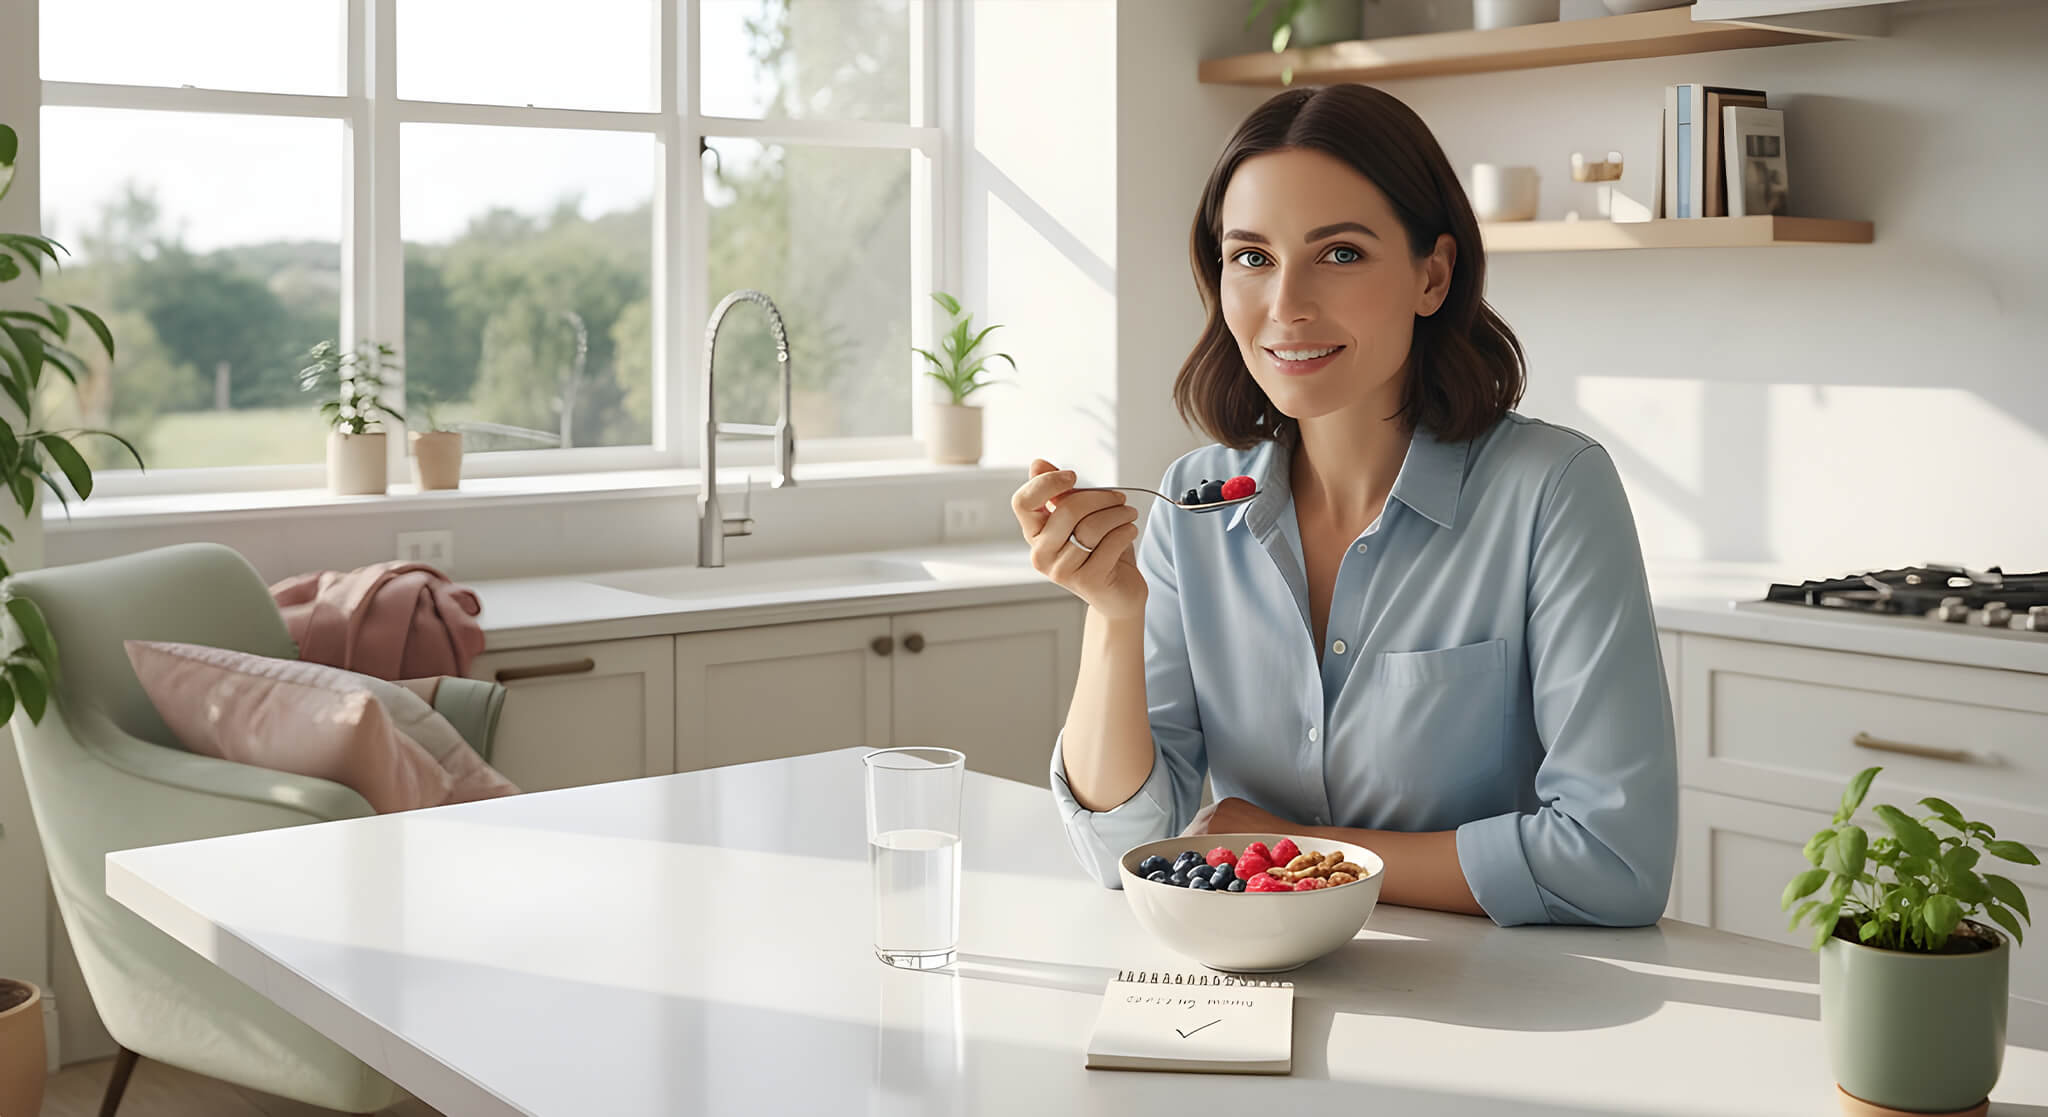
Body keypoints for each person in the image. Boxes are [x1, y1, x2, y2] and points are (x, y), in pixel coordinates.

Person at [1014, 84, 1676, 927]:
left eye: (1339, 253)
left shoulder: (1552, 491)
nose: (1286, 305)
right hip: (1250, 982)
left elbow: (1614, 861)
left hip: (1491, 988)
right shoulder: (1193, 506)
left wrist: (1297, 848)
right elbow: (1122, 847)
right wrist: (1113, 614)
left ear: (1432, 274)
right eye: (1252, 257)